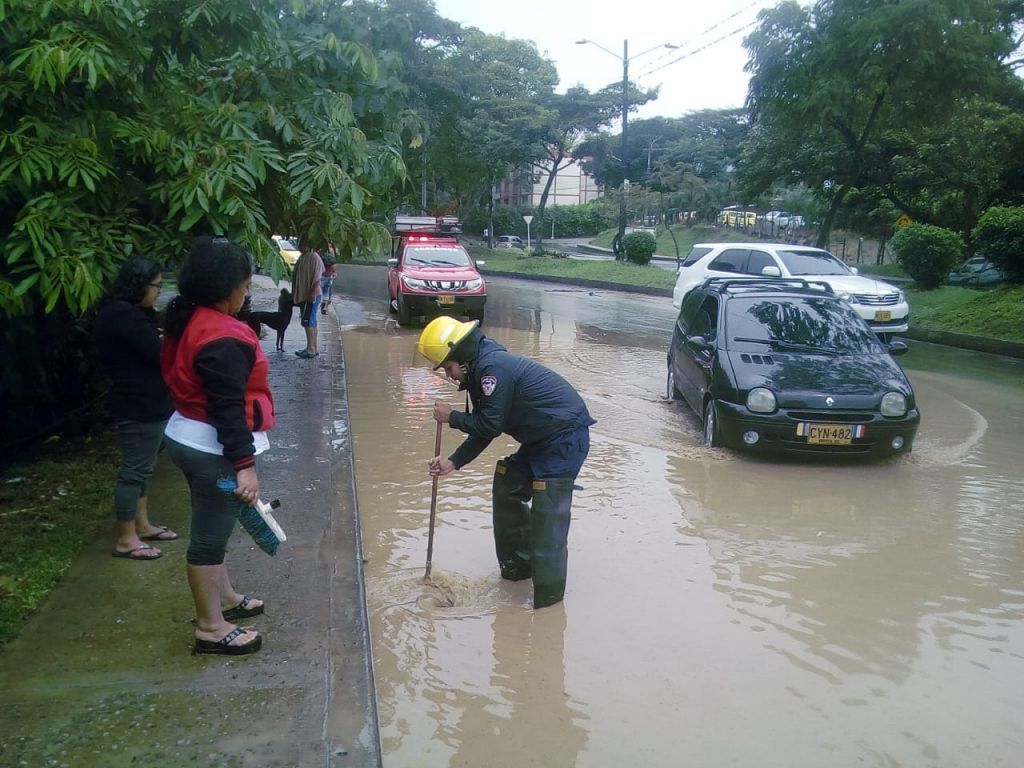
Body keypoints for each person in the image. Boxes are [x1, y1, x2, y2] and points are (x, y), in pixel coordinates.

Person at [416, 316, 595, 608]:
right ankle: (517, 573)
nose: (449, 376)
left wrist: (452, 418)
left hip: (564, 438)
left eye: (448, 368)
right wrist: (453, 462)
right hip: (540, 440)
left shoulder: (492, 370)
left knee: (547, 516)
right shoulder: (479, 370)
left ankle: (547, 605)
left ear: (460, 358)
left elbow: (489, 425)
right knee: (507, 479)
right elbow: (487, 426)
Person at [161, 236, 274, 656]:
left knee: (216, 527)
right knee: (210, 538)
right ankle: (210, 627)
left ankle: (225, 598)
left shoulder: (190, 318)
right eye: (245, 286)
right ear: (227, 286)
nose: (247, 294)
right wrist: (244, 466)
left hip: (187, 433)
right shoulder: (222, 337)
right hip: (212, 449)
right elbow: (228, 409)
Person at [93, 255, 176, 560]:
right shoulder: (123, 317)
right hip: (137, 405)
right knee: (133, 471)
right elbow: (160, 354)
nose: (158, 291)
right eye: (155, 285)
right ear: (138, 285)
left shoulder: (133, 314)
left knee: (143, 469)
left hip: (147, 402)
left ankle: (141, 525)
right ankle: (127, 539)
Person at [290, 246, 324, 358]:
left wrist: (312, 293)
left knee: (308, 320)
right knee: (311, 320)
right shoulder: (305, 256)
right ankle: (313, 347)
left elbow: (318, 278)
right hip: (307, 294)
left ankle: (311, 349)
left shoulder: (314, 257)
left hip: (311, 295)